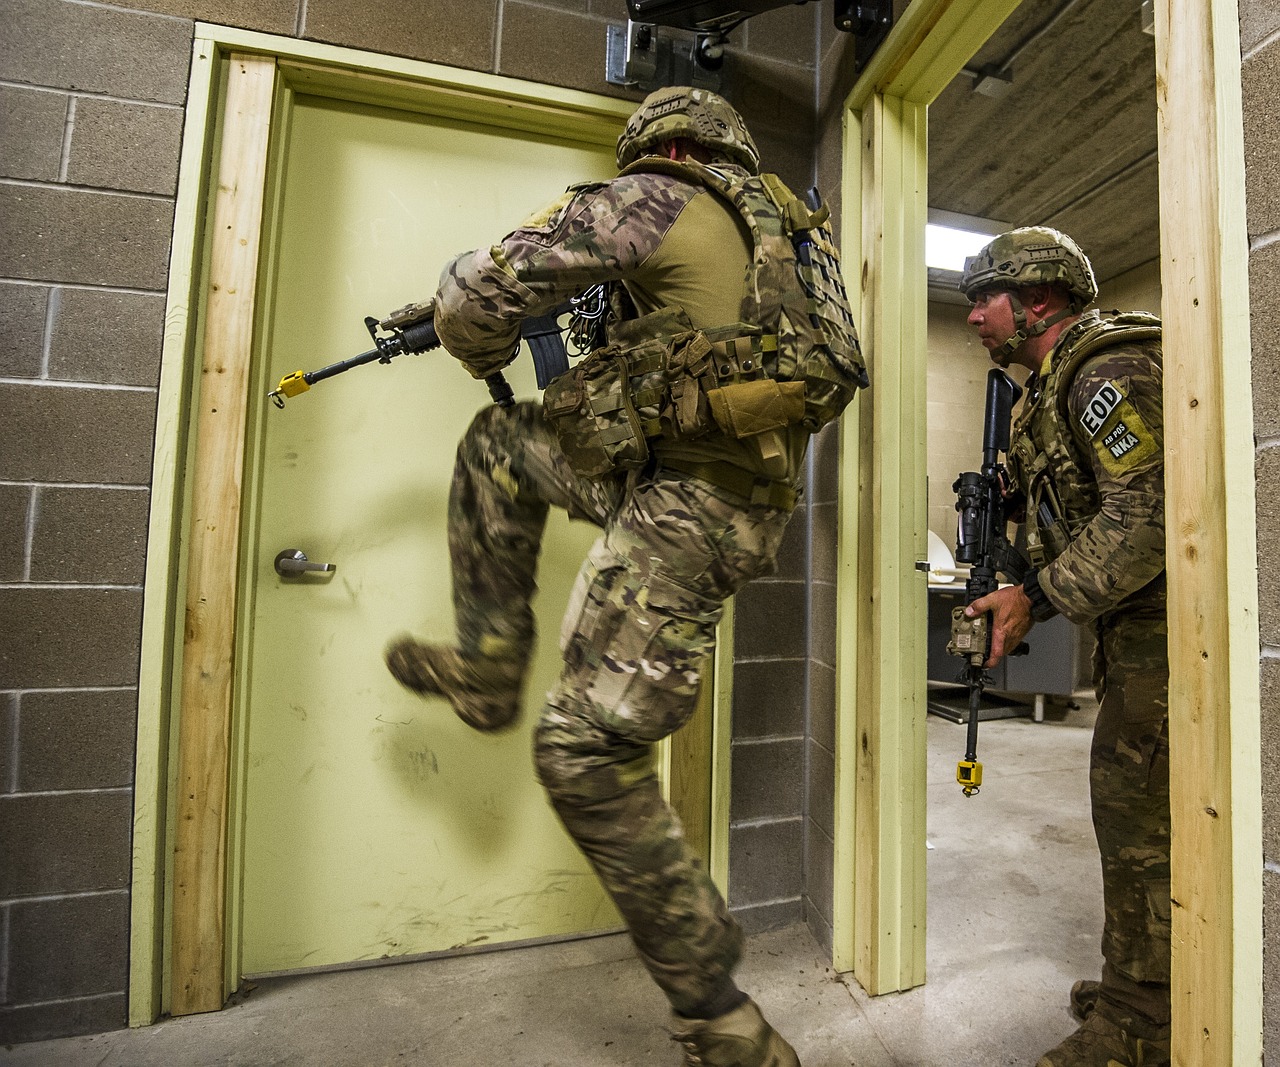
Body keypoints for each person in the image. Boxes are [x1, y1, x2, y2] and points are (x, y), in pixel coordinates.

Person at [384, 86, 866, 1067]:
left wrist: (459, 327)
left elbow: (481, 295)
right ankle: (487, 664)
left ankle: (721, 1019)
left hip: (684, 508)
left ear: (657, 148)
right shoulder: (784, 234)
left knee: (583, 752)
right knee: (502, 444)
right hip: (719, 495)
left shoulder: (653, 197)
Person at [959, 227, 1169, 1067]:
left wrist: (1036, 597)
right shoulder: (1041, 393)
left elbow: (1143, 517)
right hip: (1129, 630)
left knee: (1138, 816)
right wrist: (1014, 564)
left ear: (1039, 300)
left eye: (988, 297)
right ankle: (1145, 985)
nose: (973, 314)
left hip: (1167, 633)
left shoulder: (1102, 373)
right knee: (1130, 809)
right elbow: (1063, 520)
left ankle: (1141, 1023)